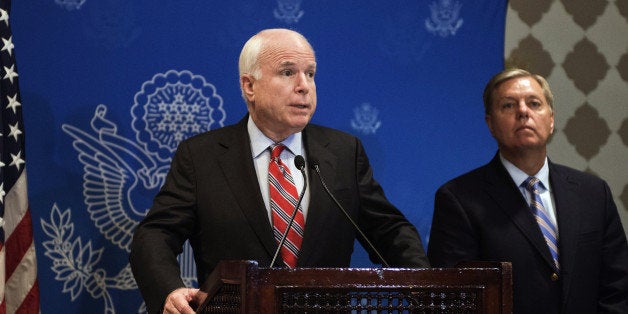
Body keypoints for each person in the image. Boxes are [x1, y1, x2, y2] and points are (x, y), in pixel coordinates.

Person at [130, 28, 429, 314]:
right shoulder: (201, 156)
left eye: (310, 74)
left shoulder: (342, 152)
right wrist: (169, 291)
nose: (304, 86)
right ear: (249, 86)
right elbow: (155, 234)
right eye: (288, 72)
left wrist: (425, 288)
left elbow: (389, 231)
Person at [427, 68, 628, 313]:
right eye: (509, 106)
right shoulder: (459, 198)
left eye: (534, 103)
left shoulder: (594, 193)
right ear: (490, 124)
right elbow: (455, 300)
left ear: (551, 120)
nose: (523, 112)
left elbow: (618, 287)